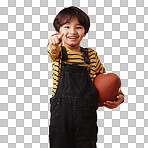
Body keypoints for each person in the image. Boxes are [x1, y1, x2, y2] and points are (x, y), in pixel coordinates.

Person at [47, 6, 124, 148]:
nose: (73, 31)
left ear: (85, 32)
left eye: (79, 27)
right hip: (61, 114)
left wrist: (119, 97)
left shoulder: (91, 56)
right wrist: (53, 42)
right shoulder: (58, 52)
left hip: (86, 115)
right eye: (66, 27)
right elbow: (52, 51)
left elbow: (105, 80)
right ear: (58, 32)